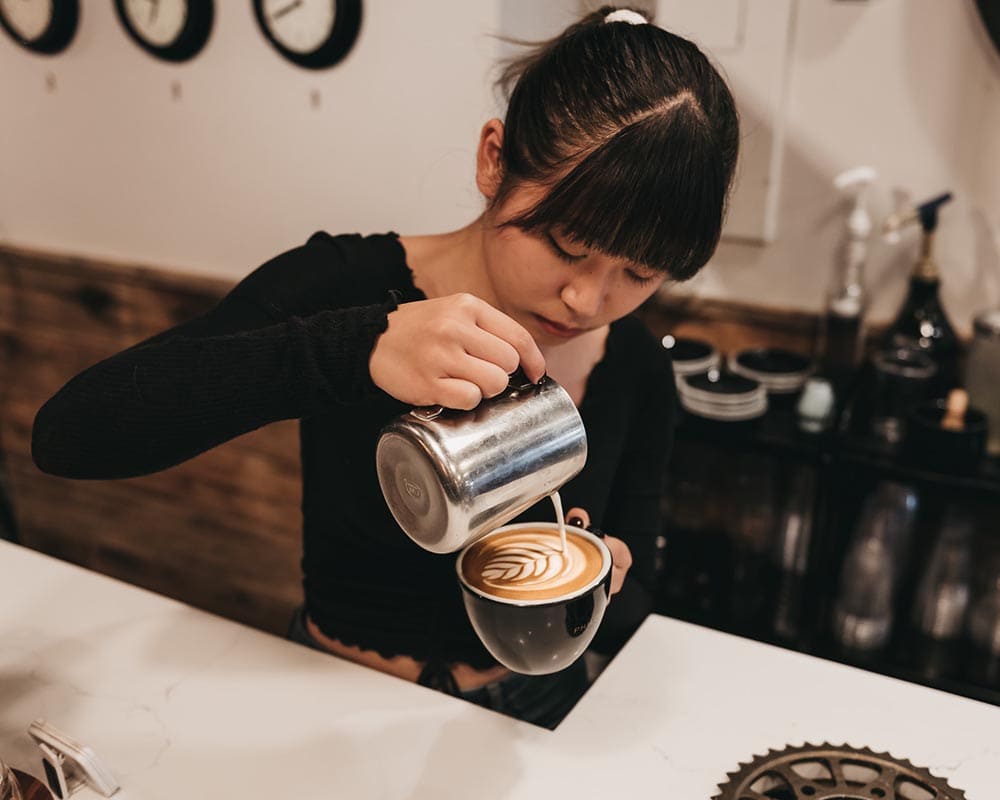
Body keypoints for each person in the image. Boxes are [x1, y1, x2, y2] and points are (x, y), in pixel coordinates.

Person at [31, 5, 739, 729]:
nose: (586, 299)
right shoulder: (346, 287)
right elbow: (71, 436)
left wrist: (604, 577)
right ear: (493, 158)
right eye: (563, 243)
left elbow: (640, 597)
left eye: (641, 272)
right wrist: (356, 347)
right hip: (331, 695)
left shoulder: (635, 370)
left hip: (527, 709)